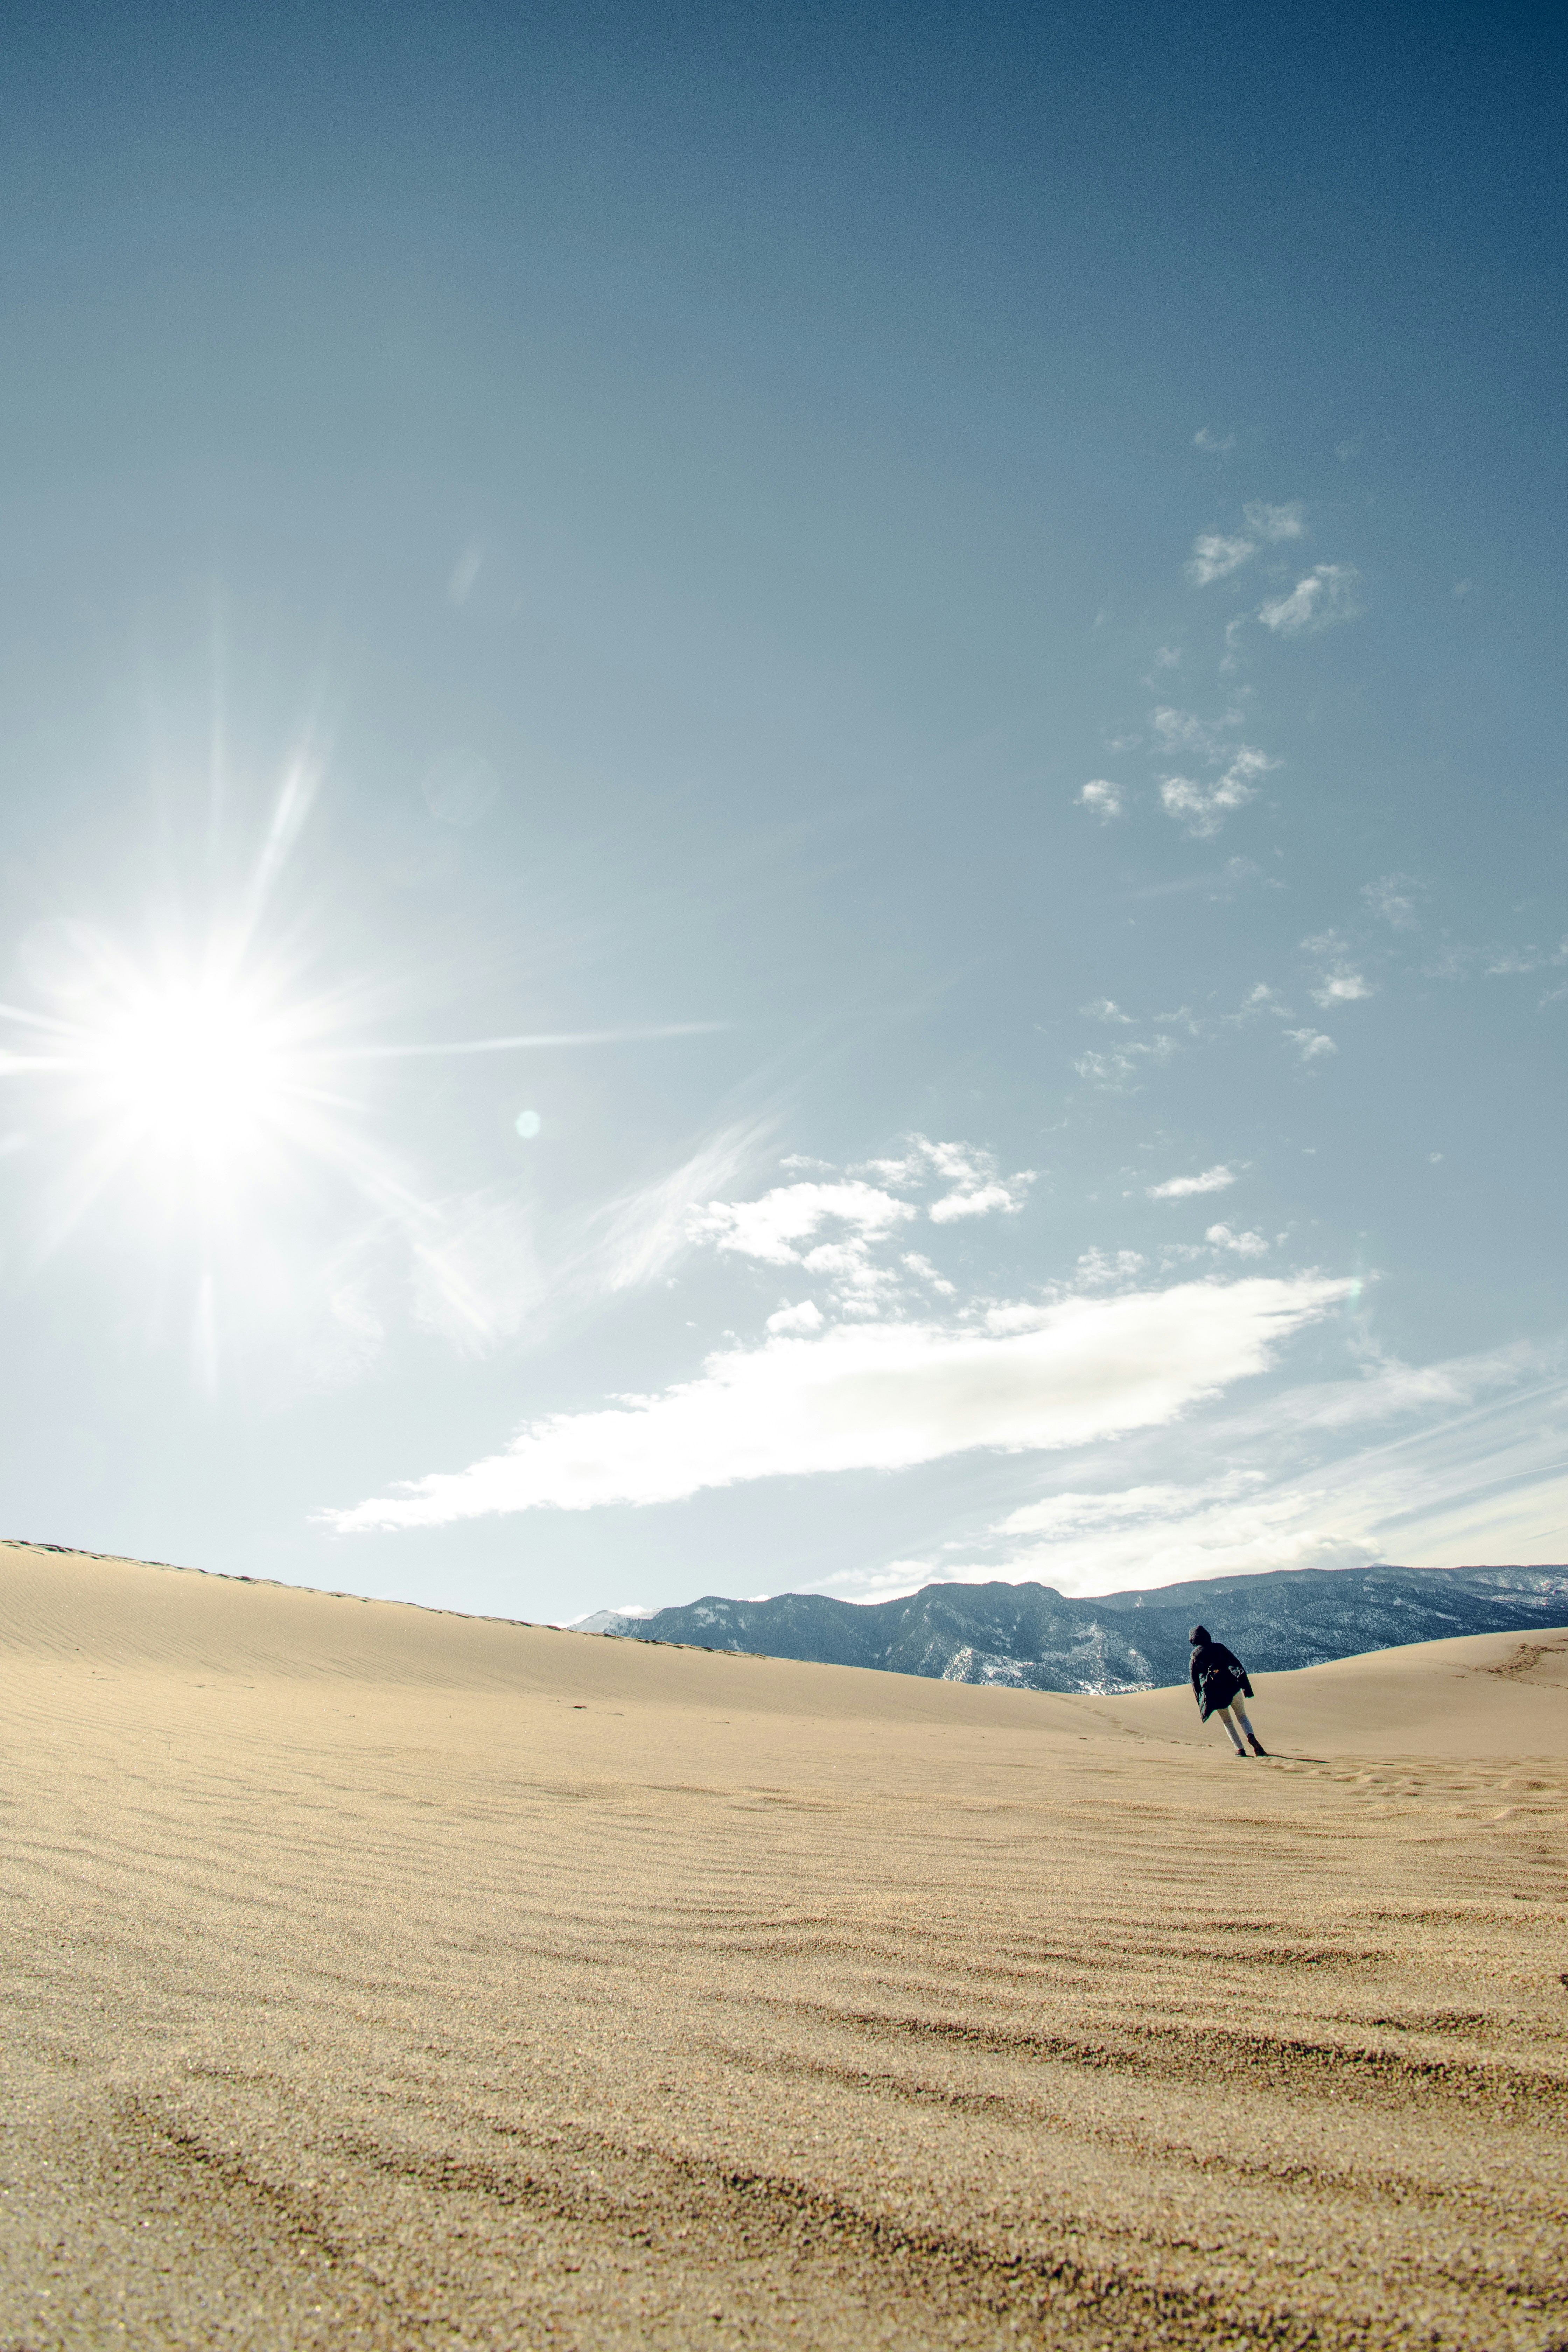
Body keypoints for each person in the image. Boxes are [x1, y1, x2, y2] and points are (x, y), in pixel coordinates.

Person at [1189, 1625, 1267, 1756]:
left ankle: (1240, 1750)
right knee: (1242, 1716)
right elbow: (1236, 1664)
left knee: (1228, 1722)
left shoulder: (1194, 1658)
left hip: (1215, 1695)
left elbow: (1195, 1684)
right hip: (1233, 1688)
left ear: (1193, 1641)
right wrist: (1244, 1686)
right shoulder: (1219, 1647)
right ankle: (1250, 1735)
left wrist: (1203, 1705)